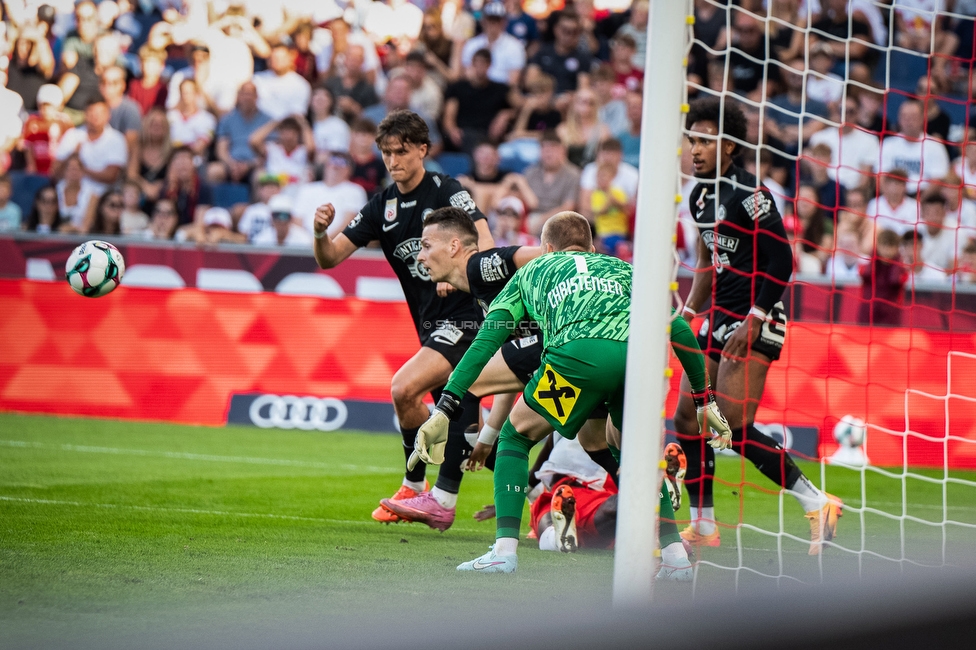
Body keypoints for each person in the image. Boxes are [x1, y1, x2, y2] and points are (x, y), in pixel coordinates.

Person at [408, 211, 731, 576]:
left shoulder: (533, 270)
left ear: (546, 248)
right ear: (592, 247)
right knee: (630, 453)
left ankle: (503, 552)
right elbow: (681, 331)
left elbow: (486, 341)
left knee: (515, 437)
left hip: (577, 361)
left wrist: (446, 406)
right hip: (638, 365)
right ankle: (674, 558)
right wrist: (705, 399)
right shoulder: (623, 269)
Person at [311, 110, 494, 530]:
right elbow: (330, 258)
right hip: (429, 325)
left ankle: (414, 485)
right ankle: (536, 488)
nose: (393, 160)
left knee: (404, 389)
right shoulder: (383, 205)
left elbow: (484, 237)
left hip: (468, 320)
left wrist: (463, 271)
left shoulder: (447, 191)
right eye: (386, 152)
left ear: (423, 151)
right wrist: (320, 232)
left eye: (402, 151)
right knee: (466, 431)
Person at [678, 96, 842, 556]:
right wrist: (690, 311)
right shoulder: (699, 195)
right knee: (688, 418)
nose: (695, 148)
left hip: (758, 315)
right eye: (692, 139)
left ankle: (817, 502)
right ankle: (704, 525)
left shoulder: (751, 196)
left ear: (729, 146)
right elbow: (707, 261)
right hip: (719, 316)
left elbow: (782, 260)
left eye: (705, 140)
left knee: (731, 421)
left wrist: (756, 318)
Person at [51, 96, 128, 197]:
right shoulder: (72, 135)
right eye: (91, 113)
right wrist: (73, 155)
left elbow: (111, 176)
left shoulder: (117, 139)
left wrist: (80, 168)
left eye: (99, 113)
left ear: (108, 115)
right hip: (68, 193)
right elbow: (55, 171)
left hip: (101, 197)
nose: (95, 117)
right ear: (85, 114)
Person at [442, 49, 512, 154]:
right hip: (462, 135)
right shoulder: (458, 87)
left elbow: (519, 106)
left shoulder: (500, 89)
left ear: (489, 65)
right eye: (477, 63)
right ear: (472, 64)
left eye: (483, 64)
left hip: (488, 135)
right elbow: (449, 115)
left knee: (482, 142)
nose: (480, 68)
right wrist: (452, 130)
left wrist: (505, 115)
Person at [293, 151, 367, 236]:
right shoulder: (307, 189)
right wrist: (311, 241)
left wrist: (323, 242)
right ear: (325, 166)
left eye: (342, 162)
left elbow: (350, 221)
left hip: (338, 244)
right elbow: (297, 220)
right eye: (332, 161)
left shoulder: (355, 191)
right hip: (305, 243)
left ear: (350, 170)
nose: (335, 165)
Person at [212, 82, 271, 185]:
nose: (247, 97)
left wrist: (248, 165)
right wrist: (231, 164)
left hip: (255, 165)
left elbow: (268, 152)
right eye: (244, 94)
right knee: (214, 171)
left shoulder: (267, 121)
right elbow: (221, 149)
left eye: (250, 94)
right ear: (238, 96)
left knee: (261, 176)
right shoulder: (227, 119)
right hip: (231, 163)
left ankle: (257, 201)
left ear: (257, 97)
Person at [858, 228, 907, 326]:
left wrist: (897, 262)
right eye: (884, 246)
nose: (887, 250)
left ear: (897, 248)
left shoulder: (902, 269)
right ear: (877, 246)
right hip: (868, 312)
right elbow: (864, 275)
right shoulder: (868, 266)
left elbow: (896, 281)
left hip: (890, 315)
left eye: (890, 246)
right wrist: (873, 256)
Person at [21, 84, 74, 175]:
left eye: (49, 107)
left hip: (57, 169)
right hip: (37, 168)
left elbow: (70, 147)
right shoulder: (32, 121)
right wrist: (31, 165)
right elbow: (28, 146)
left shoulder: (64, 122)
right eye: (42, 106)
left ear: (58, 106)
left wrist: (59, 168)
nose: (45, 110)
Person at [253, 42, 312, 121]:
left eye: (280, 58)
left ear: (290, 58)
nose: (276, 61)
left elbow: (297, 116)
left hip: (286, 129)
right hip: (257, 126)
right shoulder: (256, 80)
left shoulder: (301, 85)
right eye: (273, 58)